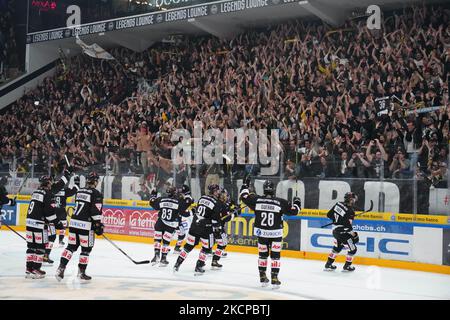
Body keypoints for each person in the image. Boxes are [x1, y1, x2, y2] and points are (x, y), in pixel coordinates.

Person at [239, 179, 301, 288]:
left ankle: (262, 276)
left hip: (261, 233)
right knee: (275, 256)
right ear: (273, 189)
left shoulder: (256, 200)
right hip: (275, 233)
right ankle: (274, 277)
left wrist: (245, 185)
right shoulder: (281, 202)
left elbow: (243, 196)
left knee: (262, 255)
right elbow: (294, 211)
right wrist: (297, 202)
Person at [55, 171, 104, 282]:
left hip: (73, 223)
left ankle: (60, 268)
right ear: (95, 181)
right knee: (86, 250)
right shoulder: (96, 194)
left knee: (70, 247)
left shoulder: (80, 191)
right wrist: (98, 225)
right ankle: (81, 272)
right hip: (86, 226)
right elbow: (95, 212)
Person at [25, 170, 72, 279]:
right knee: (41, 247)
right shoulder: (48, 194)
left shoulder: (36, 192)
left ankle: (29, 269)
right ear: (48, 183)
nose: (52, 183)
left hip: (29, 223)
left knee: (31, 247)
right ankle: (36, 269)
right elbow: (49, 213)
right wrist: (58, 224)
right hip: (39, 224)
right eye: (51, 182)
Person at [173, 184, 224, 275]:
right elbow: (215, 220)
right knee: (206, 248)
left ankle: (177, 264)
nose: (219, 192)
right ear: (214, 192)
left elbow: (198, 210)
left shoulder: (202, 198)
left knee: (188, 246)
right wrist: (217, 228)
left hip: (194, 226)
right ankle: (199, 266)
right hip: (206, 228)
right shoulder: (216, 203)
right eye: (217, 191)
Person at [149, 185, 190, 266]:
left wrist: (153, 195)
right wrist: (187, 195)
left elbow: (152, 203)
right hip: (170, 225)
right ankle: (163, 259)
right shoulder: (178, 201)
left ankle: (156, 256)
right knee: (166, 242)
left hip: (160, 222)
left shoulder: (161, 200)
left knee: (157, 239)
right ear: (174, 193)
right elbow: (184, 210)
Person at [43, 175, 80, 265]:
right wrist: (76, 182)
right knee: (61, 228)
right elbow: (75, 190)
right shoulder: (64, 190)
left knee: (50, 235)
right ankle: (57, 243)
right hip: (61, 212)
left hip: (52, 214)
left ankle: (44, 254)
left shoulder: (51, 190)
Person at [324, 192, 359, 272]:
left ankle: (328, 264)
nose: (354, 201)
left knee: (337, 248)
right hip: (343, 233)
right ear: (350, 200)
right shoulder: (350, 211)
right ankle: (347, 266)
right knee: (353, 249)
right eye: (353, 199)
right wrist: (354, 234)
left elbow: (329, 215)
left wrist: (337, 220)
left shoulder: (338, 204)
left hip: (335, 231)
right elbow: (348, 227)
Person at [211, 188, 239, 269]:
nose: (227, 197)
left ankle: (209, 259)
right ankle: (214, 261)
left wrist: (232, 210)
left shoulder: (217, 202)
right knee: (223, 243)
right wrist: (234, 214)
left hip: (211, 226)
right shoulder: (221, 204)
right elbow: (226, 217)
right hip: (217, 227)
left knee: (218, 243)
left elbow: (225, 213)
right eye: (225, 195)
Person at [174, 184, 194, 253]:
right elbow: (183, 211)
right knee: (181, 234)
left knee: (181, 234)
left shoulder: (182, 198)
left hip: (176, 219)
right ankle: (176, 248)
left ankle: (176, 248)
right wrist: (189, 213)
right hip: (176, 219)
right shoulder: (186, 199)